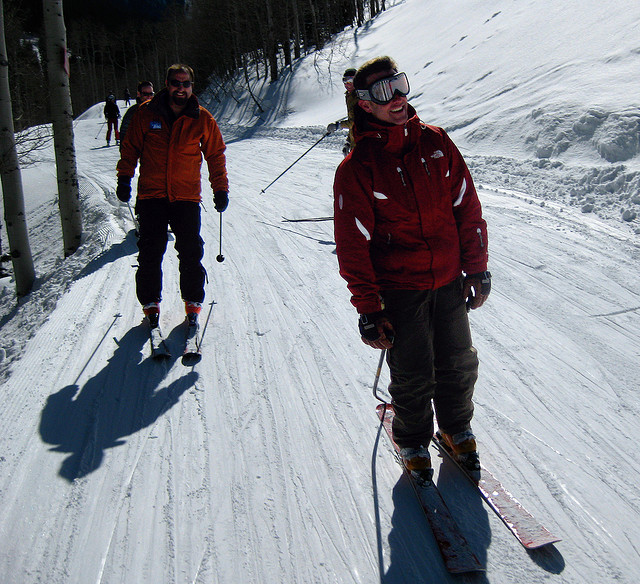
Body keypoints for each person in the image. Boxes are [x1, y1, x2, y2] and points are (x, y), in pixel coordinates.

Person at [333, 56, 491, 482]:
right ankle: (413, 439)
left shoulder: (435, 143)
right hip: (400, 287)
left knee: (459, 363)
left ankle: (456, 429)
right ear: (365, 103)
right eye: (384, 92)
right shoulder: (358, 167)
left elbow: (467, 206)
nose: (397, 97)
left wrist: (476, 268)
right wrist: (369, 307)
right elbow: (352, 244)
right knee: (413, 371)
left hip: (448, 279)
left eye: (399, 84)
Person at [116, 64, 229, 329]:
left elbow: (215, 155)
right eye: (176, 83)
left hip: (186, 198)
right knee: (150, 251)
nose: (181, 88)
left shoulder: (202, 118)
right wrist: (124, 177)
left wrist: (220, 188)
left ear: (192, 86)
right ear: (167, 85)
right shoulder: (146, 114)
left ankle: (193, 301)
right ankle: (150, 303)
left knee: (190, 252)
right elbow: (130, 148)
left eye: (186, 83)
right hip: (151, 196)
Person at [327, 67, 358, 156]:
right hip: (355, 144)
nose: (347, 84)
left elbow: (355, 122)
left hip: (363, 145)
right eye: (344, 81)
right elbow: (353, 126)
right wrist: (348, 142)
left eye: (350, 81)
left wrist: (338, 126)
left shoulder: (360, 97)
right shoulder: (350, 96)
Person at [119, 81, 154, 146]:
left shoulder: (158, 110)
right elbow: (124, 134)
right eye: (145, 94)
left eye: (151, 94)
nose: (149, 97)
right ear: (139, 94)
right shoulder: (132, 112)